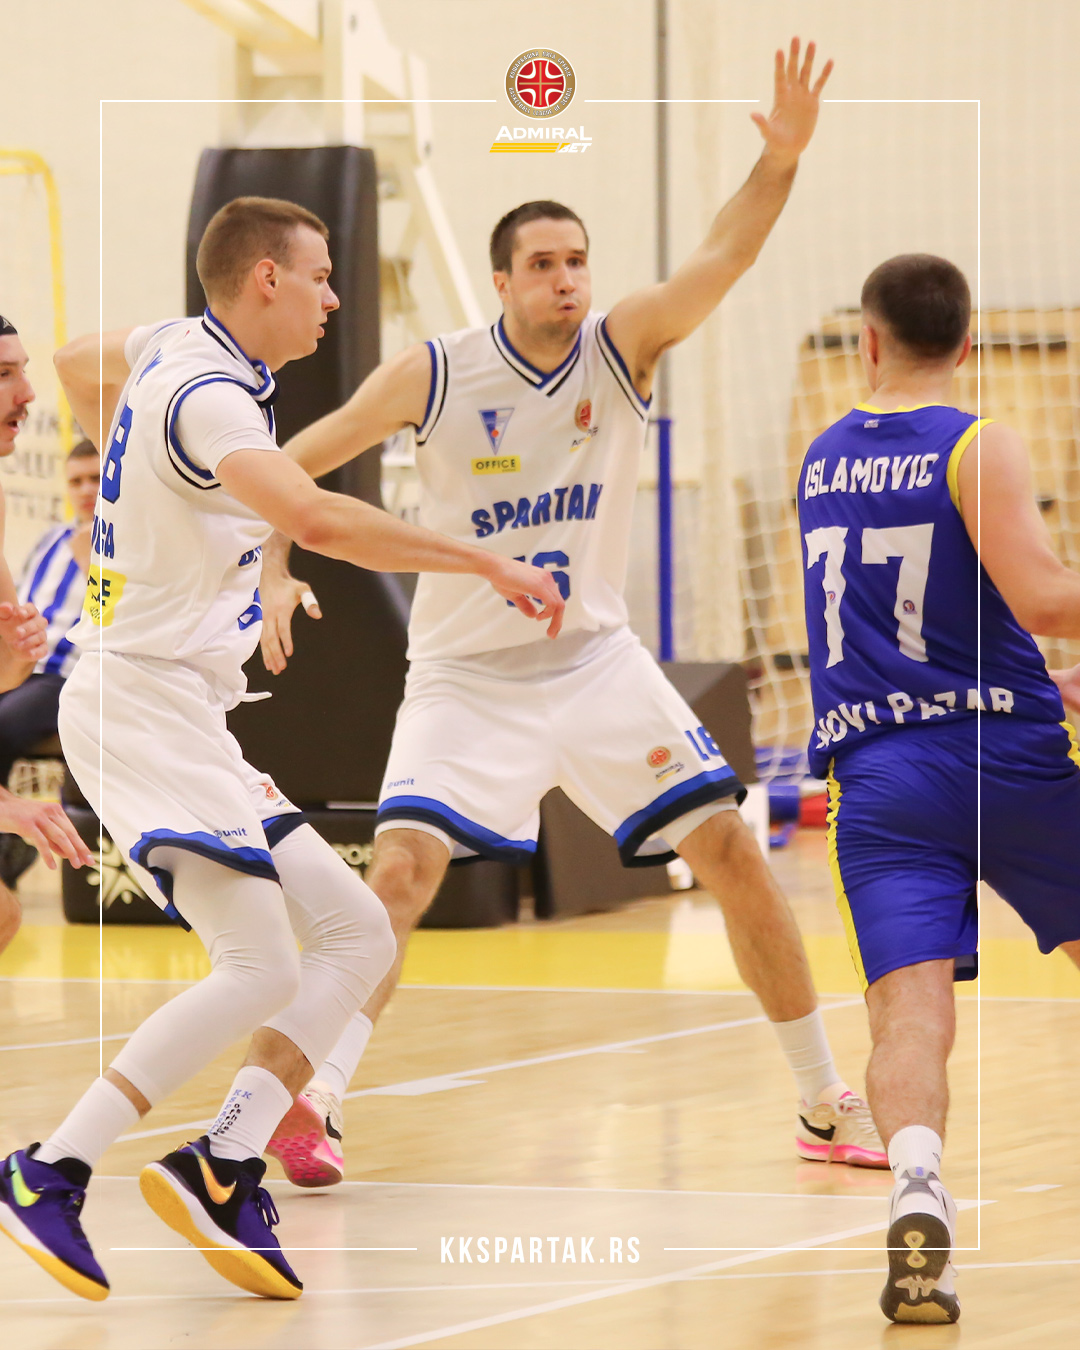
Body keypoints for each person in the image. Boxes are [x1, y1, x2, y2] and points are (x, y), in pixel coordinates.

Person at [257, 40, 886, 1193]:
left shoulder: (622, 346)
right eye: (543, 264)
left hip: (595, 665)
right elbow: (294, 460)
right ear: (501, 281)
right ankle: (318, 1104)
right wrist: (271, 565)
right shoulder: (434, 374)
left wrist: (782, 162)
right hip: (463, 678)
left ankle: (821, 1095)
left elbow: (725, 253)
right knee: (398, 876)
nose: (567, 280)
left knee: (733, 850)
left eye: (578, 261)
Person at [0, 196, 564, 1303]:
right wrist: (488, 564)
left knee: (356, 932)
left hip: (180, 705)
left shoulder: (173, 347)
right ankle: (49, 1170)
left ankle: (222, 1163)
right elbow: (322, 520)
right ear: (265, 279)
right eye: (320, 276)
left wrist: (202, 544)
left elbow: (72, 364)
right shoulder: (207, 397)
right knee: (260, 964)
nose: (335, 297)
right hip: (141, 704)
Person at [798, 253, 1080, 1325]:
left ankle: (918, 1187)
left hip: (880, 777)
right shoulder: (977, 441)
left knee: (908, 1017)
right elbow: (1042, 598)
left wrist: (1031, 674)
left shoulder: (823, 457)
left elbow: (912, 625)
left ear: (867, 341)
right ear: (967, 343)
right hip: (1005, 760)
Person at [0, 317, 96, 954]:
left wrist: (16, 646)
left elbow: (7, 668)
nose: (29, 393)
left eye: (24, 371)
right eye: (4, 374)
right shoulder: (53, 541)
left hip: (74, 678)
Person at [0, 439, 100, 890]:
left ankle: (7, 846)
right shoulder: (50, 539)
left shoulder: (127, 540)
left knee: (2, 726)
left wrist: (92, 563)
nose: (85, 490)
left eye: (95, 479)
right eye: (76, 481)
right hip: (20, 670)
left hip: (66, 676)